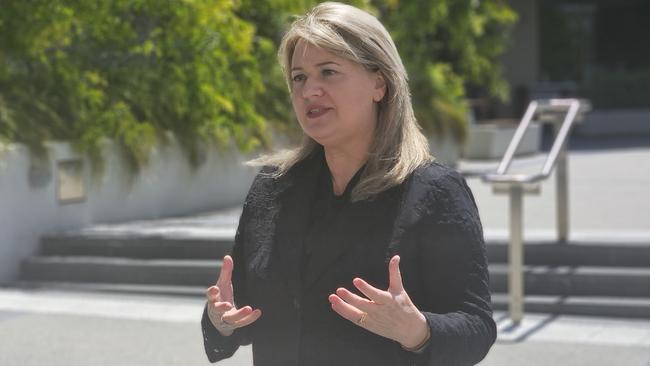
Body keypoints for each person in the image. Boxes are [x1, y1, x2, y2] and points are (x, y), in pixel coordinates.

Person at [201, 2, 496, 365]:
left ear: (379, 83)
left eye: (328, 72)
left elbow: (476, 326)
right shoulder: (272, 188)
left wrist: (418, 331)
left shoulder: (435, 191)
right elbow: (242, 310)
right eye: (299, 77)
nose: (310, 90)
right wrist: (221, 321)